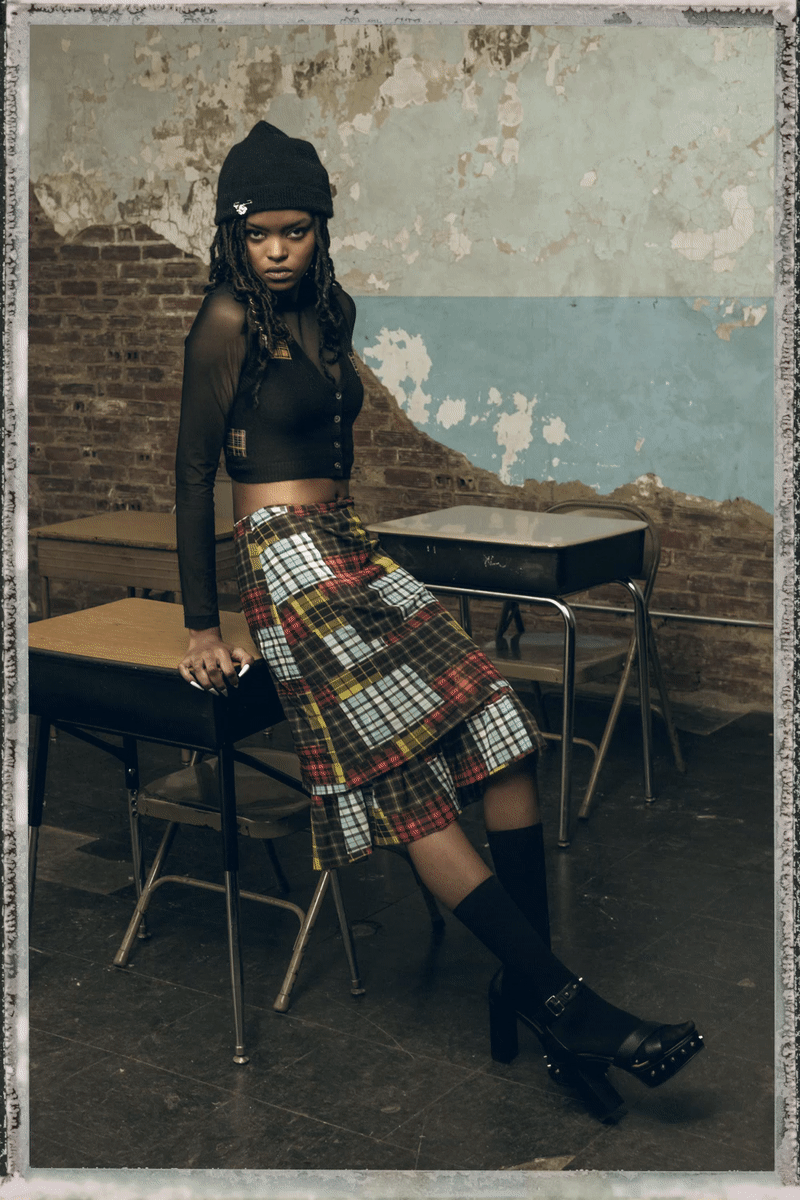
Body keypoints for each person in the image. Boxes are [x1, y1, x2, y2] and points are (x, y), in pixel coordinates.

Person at [174, 120, 703, 1122]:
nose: (278, 250)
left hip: (349, 542)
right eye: (260, 235)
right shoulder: (222, 323)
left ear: (321, 230)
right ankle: (565, 1003)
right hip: (285, 563)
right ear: (234, 236)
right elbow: (191, 471)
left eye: (295, 231)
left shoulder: (333, 316)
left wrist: (353, 545)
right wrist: (207, 622)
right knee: (409, 786)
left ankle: (529, 988)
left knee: (500, 725)